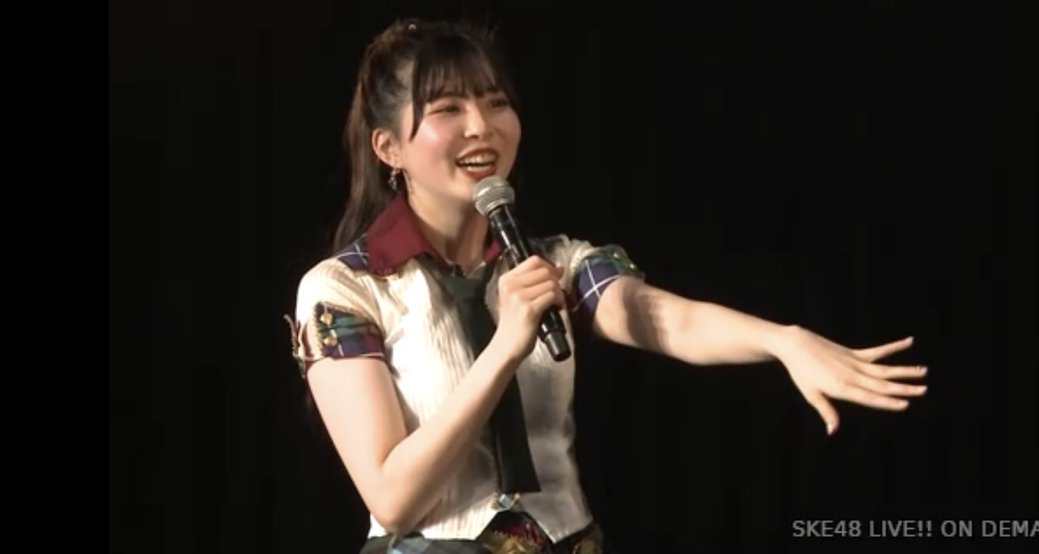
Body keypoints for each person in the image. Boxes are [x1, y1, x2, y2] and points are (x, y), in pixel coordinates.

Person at [286, 16, 928, 554]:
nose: (482, 126)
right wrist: (505, 347)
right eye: (448, 109)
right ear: (389, 148)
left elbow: (661, 317)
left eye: (496, 101)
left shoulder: (550, 263)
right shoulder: (345, 289)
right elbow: (393, 499)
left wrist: (783, 341)